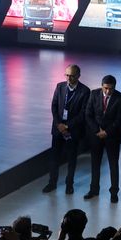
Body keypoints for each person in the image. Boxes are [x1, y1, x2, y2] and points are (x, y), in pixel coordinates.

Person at [43, 65, 90, 195]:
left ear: (78, 76)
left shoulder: (85, 91)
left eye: (72, 75)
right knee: (54, 158)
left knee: (71, 159)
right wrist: (59, 124)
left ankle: (69, 185)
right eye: (67, 75)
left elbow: (83, 113)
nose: (69, 78)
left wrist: (67, 126)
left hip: (72, 130)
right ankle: (52, 183)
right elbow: (54, 106)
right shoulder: (60, 86)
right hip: (58, 129)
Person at [84, 75, 121, 203]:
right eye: (105, 88)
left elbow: (119, 120)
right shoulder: (94, 94)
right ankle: (94, 190)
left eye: (110, 89)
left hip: (112, 137)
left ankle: (114, 193)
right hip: (96, 136)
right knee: (95, 164)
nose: (108, 91)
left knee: (113, 165)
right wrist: (97, 130)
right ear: (102, 86)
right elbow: (88, 114)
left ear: (114, 87)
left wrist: (106, 132)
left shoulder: (120, 98)